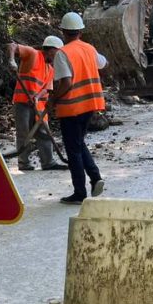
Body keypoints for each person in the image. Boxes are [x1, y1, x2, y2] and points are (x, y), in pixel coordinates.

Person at [48, 11, 107, 205]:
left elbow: (66, 82)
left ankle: (80, 192)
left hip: (72, 108)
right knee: (79, 144)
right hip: (90, 105)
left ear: (63, 31)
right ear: (80, 31)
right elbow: (103, 63)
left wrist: (54, 99)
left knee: (73, 150)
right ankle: (95, 177)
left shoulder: (62, 53)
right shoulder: (89, 48)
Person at [7, 36, 67, 172]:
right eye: (58, 53)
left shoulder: (50, 68)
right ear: (51, 50)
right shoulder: (33, 54)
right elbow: (12, 46)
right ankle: (24, 163)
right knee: (24, 133)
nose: (58, 56)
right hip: (22, 102)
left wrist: (37, 97)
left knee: (44, 133)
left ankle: (48, 162)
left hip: (38, 104)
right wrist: (12, 60)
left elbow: (47, 88)